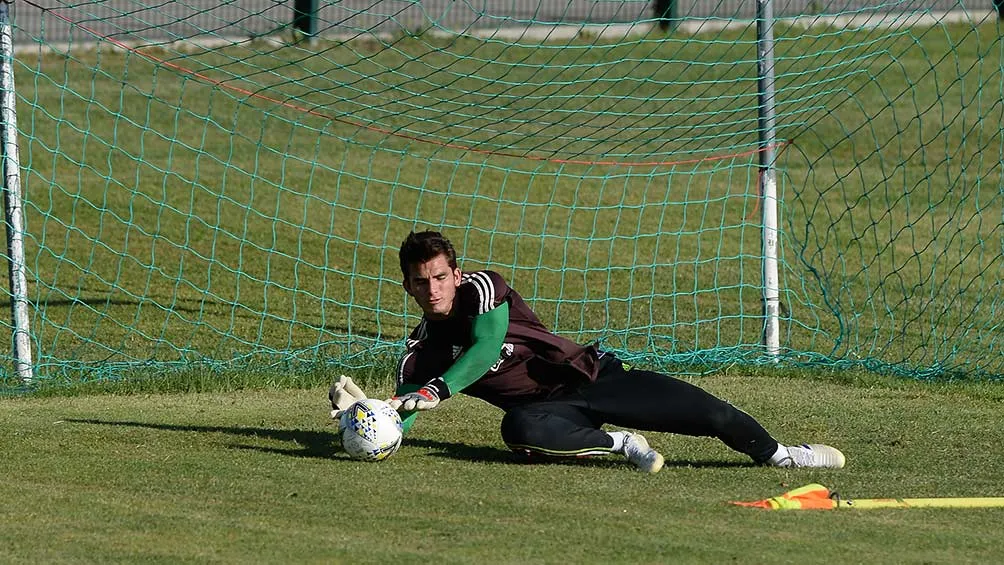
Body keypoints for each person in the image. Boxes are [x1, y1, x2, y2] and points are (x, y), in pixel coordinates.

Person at [332, 230, 845, 473]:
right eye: (422, 283)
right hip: (542, 411)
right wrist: (370, 418)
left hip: (592, 376)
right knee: (518, 430)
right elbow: (404, 411)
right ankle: (621, 444)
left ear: (456, 275)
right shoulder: (419, 352)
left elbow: (485, 346)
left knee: (711, 413)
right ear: (408, 287)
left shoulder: (482, 288)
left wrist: (436, 390)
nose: (434, 290)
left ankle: (783, 455)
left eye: (441, 277)